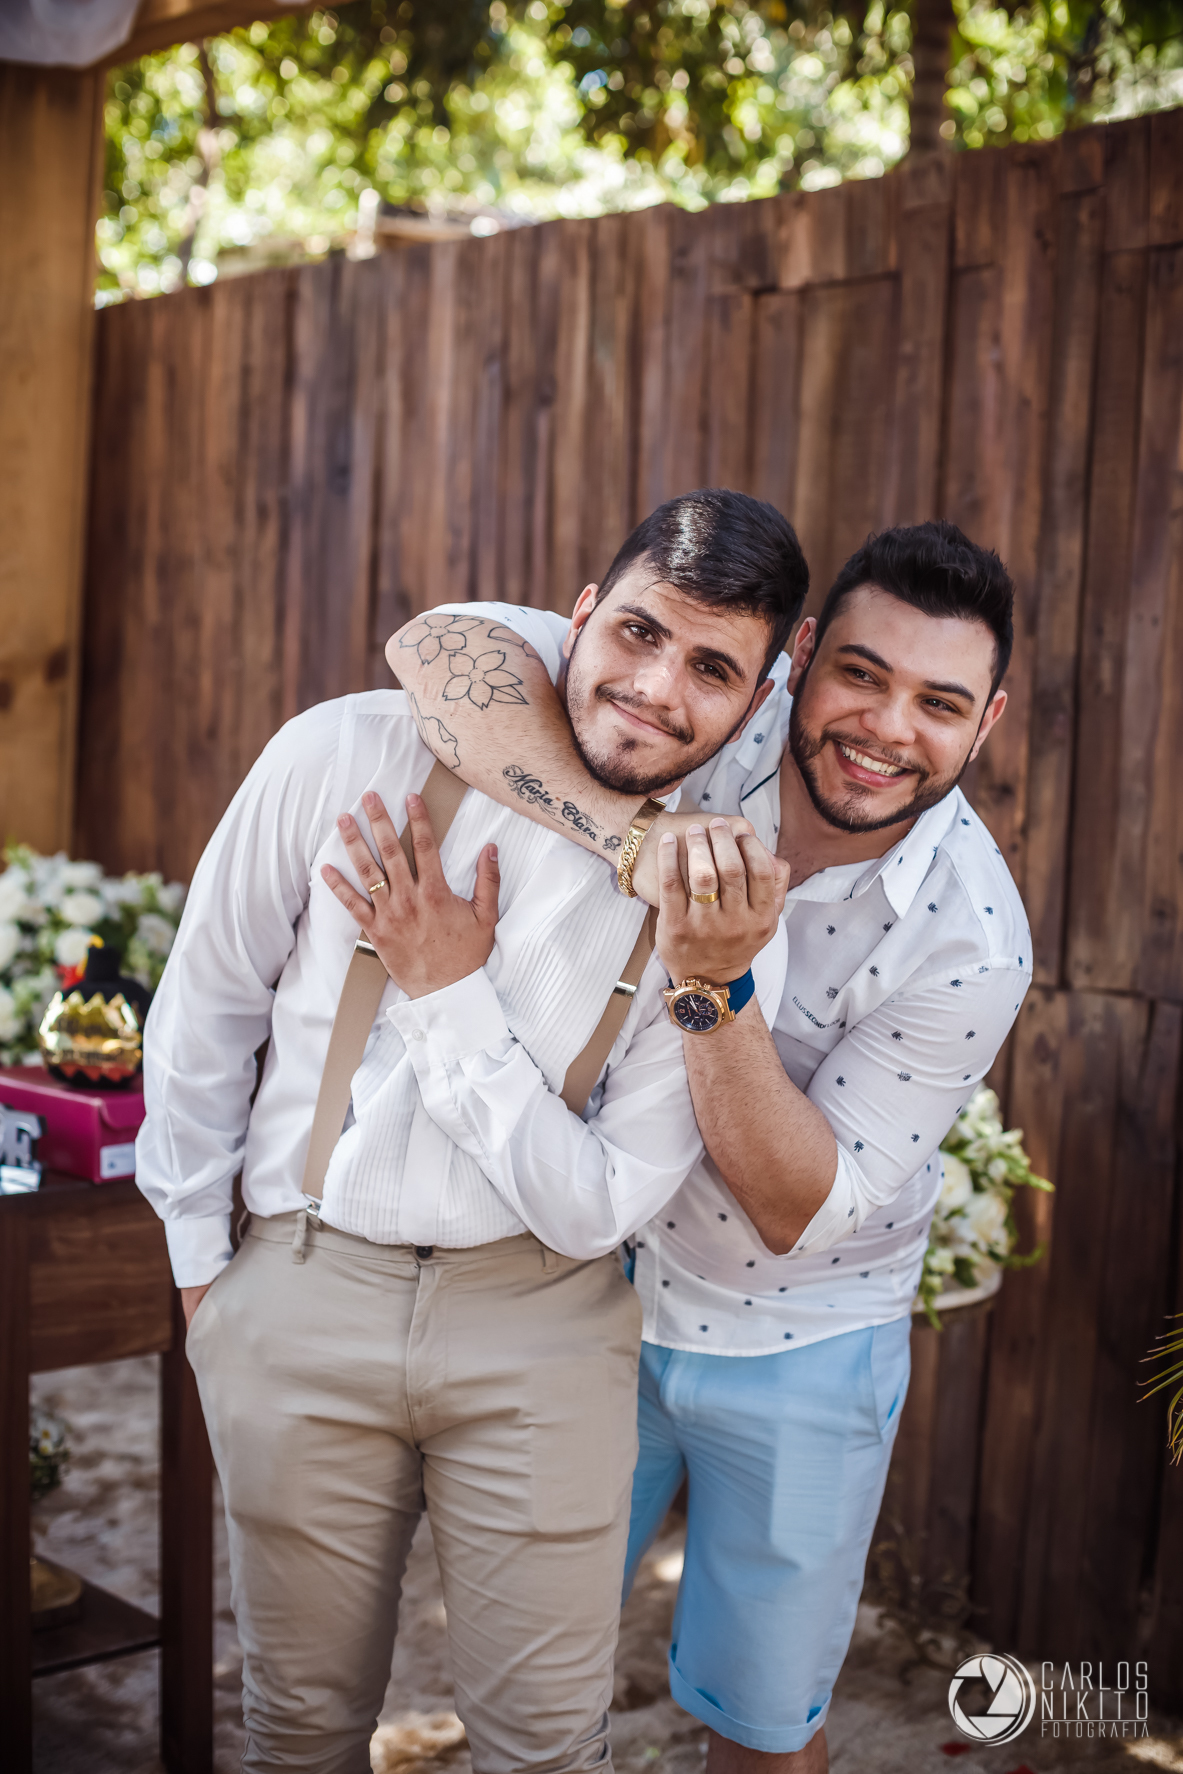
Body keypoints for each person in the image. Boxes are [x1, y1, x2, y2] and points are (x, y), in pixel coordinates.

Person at [134, 488, 807, 1774]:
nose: (657, 689)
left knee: (546, 1749)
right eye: (639, 634)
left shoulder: (715, 905)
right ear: (580, 616)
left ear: (758, 695)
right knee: (296, 1729)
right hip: (302, 1291)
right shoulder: (345, 751)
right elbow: (203, 1008)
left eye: (712, 669)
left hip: (541, 1329)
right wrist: (206, 1277)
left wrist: (448, 996)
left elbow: (598, 1203)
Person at [390, 517, 1032, 1772]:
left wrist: (713, 980)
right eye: (860, 674)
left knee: (761, 1724)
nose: (886, 727)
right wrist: (635, 840)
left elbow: (799, 1206)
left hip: (803, 1344)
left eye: (939, 702)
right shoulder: (706, 702)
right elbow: (436, 653)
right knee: (521, 1666)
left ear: (987, 722)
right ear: (800, 657)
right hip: (591, 1286)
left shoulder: (974, 939)